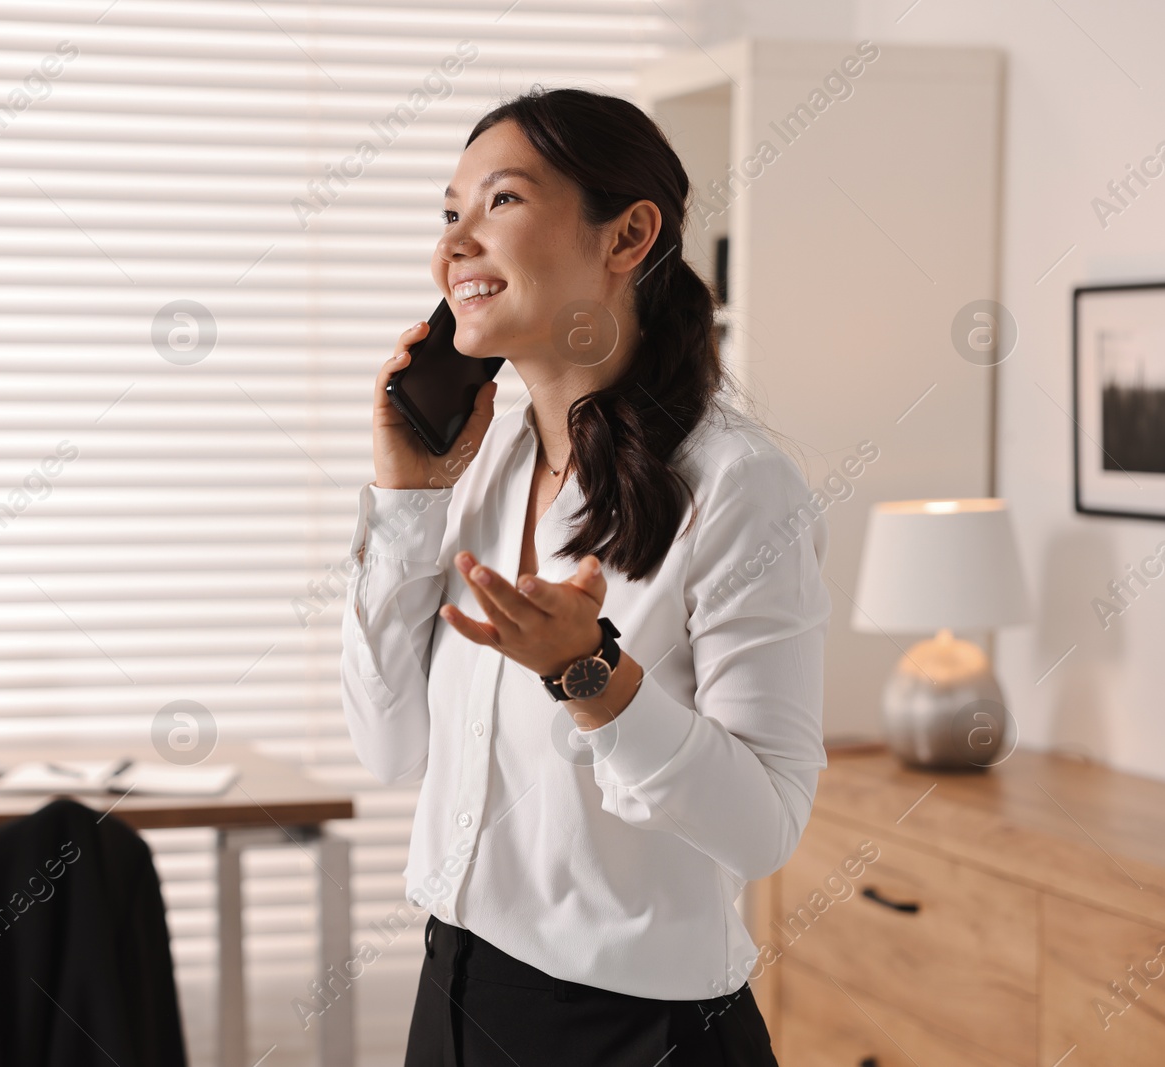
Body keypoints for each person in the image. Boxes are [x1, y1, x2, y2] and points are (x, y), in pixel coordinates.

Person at [339, 87, 832, 1065]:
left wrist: (591, 677)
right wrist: (404, 501)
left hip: (633, 1032)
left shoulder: (738, 487)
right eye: (449, 213)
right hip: (451, 999)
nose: (456, 244)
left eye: (502, 202)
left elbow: (764, 827)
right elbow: (387, 747)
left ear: (627, 236)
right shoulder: (482, 467)